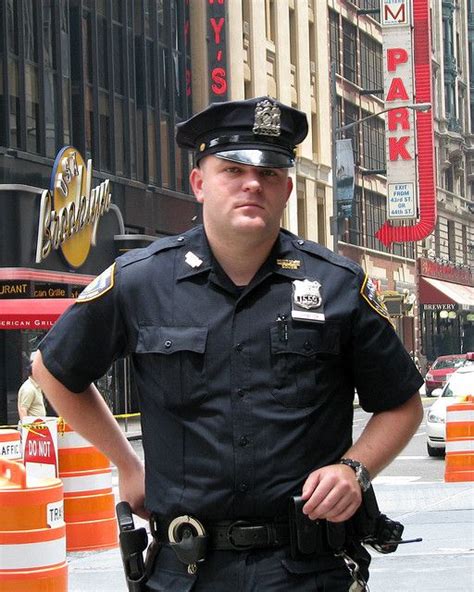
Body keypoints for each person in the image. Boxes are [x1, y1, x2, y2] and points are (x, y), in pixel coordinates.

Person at [33, 96, 424, 591]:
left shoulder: (338, 285)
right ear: (199, 183)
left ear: (286, 188)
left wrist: (355, 469)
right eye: (232, 169)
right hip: (187, 570)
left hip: (308, 572)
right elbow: (52, 369)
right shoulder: (142, 281)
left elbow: (402, 404)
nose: (252, 184)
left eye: (270, 172)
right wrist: (128, 465)